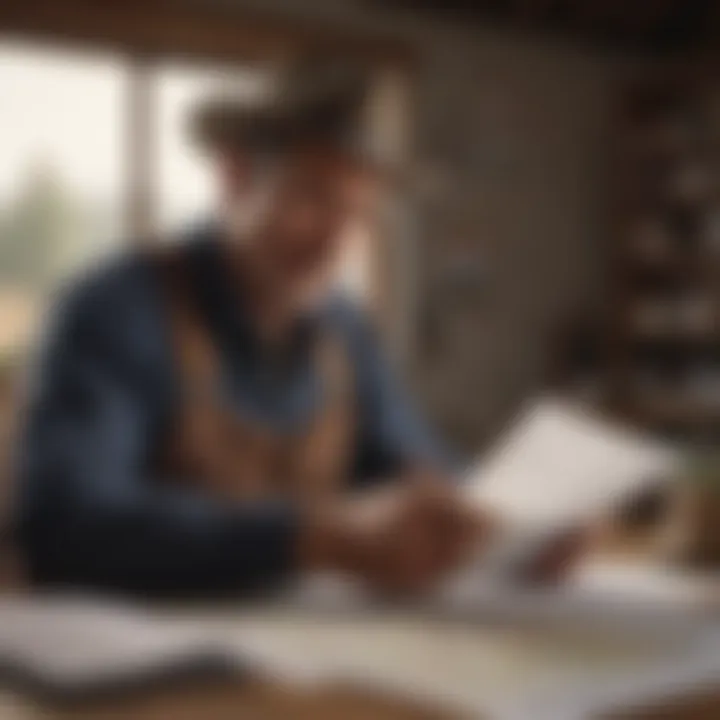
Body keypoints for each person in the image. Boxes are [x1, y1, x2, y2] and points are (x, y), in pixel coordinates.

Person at [15, 62, 579, 598]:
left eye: (357, 216)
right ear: (234, 179)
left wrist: (510, 526)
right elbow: (65, 526)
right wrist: (313, 540)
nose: (336, 243)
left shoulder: (345, 331)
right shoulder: (115, 311)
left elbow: (415, 463)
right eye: (313, 200)